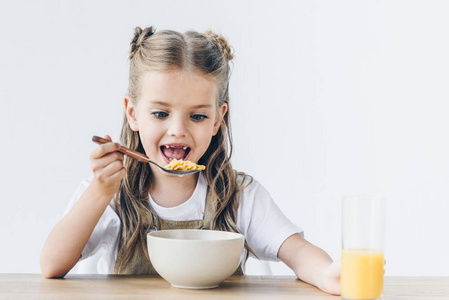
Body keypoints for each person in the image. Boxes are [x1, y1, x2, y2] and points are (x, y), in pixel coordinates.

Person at [40, 26, 341, 295]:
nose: (178, 130)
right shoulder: (112, 195)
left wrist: (329, 275)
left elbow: (299, 253)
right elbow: (52, 265)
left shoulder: (240, 196)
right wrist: (99, 191)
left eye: (197, 116)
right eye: (160, 114)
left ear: (216, 120)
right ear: (132, 114)